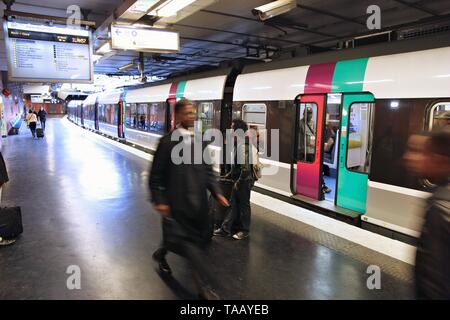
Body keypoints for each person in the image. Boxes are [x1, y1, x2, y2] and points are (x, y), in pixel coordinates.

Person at [149, 98, 229, 300]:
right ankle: (203, 290)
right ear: (177, 115)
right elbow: (155, 176)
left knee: (184, 241)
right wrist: (160, 200)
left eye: (193, 113)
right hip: (177, 205)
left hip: (199, 204)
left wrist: (217, 192)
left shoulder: (200, 140)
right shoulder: (167, 142)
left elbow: (208, 171)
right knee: (191, 248)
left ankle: (161, 253)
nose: (192, 116)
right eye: (187, 113)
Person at [403, 128, 450, 299]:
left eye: (417, 152)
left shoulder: (440, 209)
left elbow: (433, 279)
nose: (407, 157)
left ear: (438, 159)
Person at [214, 119, 257, 240]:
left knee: (243, 205)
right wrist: (229, 174)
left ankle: (244, 230)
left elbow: (246, 169)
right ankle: (226, 228)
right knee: (234, 203)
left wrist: (238, 183)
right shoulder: (239, 143)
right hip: (241, 179)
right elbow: (236, 165)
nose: (230, 130)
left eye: (232, 128)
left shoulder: (244, 145)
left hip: (245, 180)